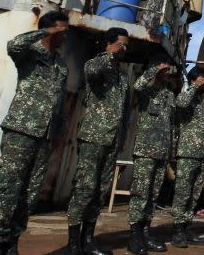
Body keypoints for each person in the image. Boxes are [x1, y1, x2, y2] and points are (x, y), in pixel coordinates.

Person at [0, 11, 70, 255]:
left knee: (30, 192)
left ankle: (12, 242)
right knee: (8, 187)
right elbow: (13, 44)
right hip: (22, 129)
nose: (66, 36)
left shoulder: (60, 64)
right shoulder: (30, 54)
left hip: (45, 135)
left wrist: (59, 132)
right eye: (62, 31)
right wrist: (46, 31)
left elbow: (59, 102)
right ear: (51, 30)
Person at [64, 28, 130, 255]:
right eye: (121, 44)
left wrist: (121, 137)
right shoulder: (97, 63)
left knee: (100, 191)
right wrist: (108, 55)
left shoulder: (122, 75)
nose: (124, 49)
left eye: (125, 45)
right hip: (94, 135)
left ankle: (88, 239)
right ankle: (72, 243)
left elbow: (124, 110)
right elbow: (91, 73)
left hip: (112, 139)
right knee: (84, 188)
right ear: (108, 44)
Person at [170, 66, 204, 247]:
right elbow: (181, 103)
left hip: (201, 155)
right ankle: (177, 231)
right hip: (187, 153)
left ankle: (187, 229)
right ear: (194, 79)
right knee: (182, 193)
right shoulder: (187, 96)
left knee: (194, 195)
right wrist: (193, 86)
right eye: (202, 78)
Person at [127, 61, 175, 255]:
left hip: (162, 152)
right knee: (140, 194)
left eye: (167, 70)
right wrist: (154, 70)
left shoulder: (169, 94)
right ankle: (134, 236)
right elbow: (137, 86)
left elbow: (171, 125)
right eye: (163, 70)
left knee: (152, 196)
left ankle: (146, 232)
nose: (167, 73)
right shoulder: (147, 91)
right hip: (146, 150)